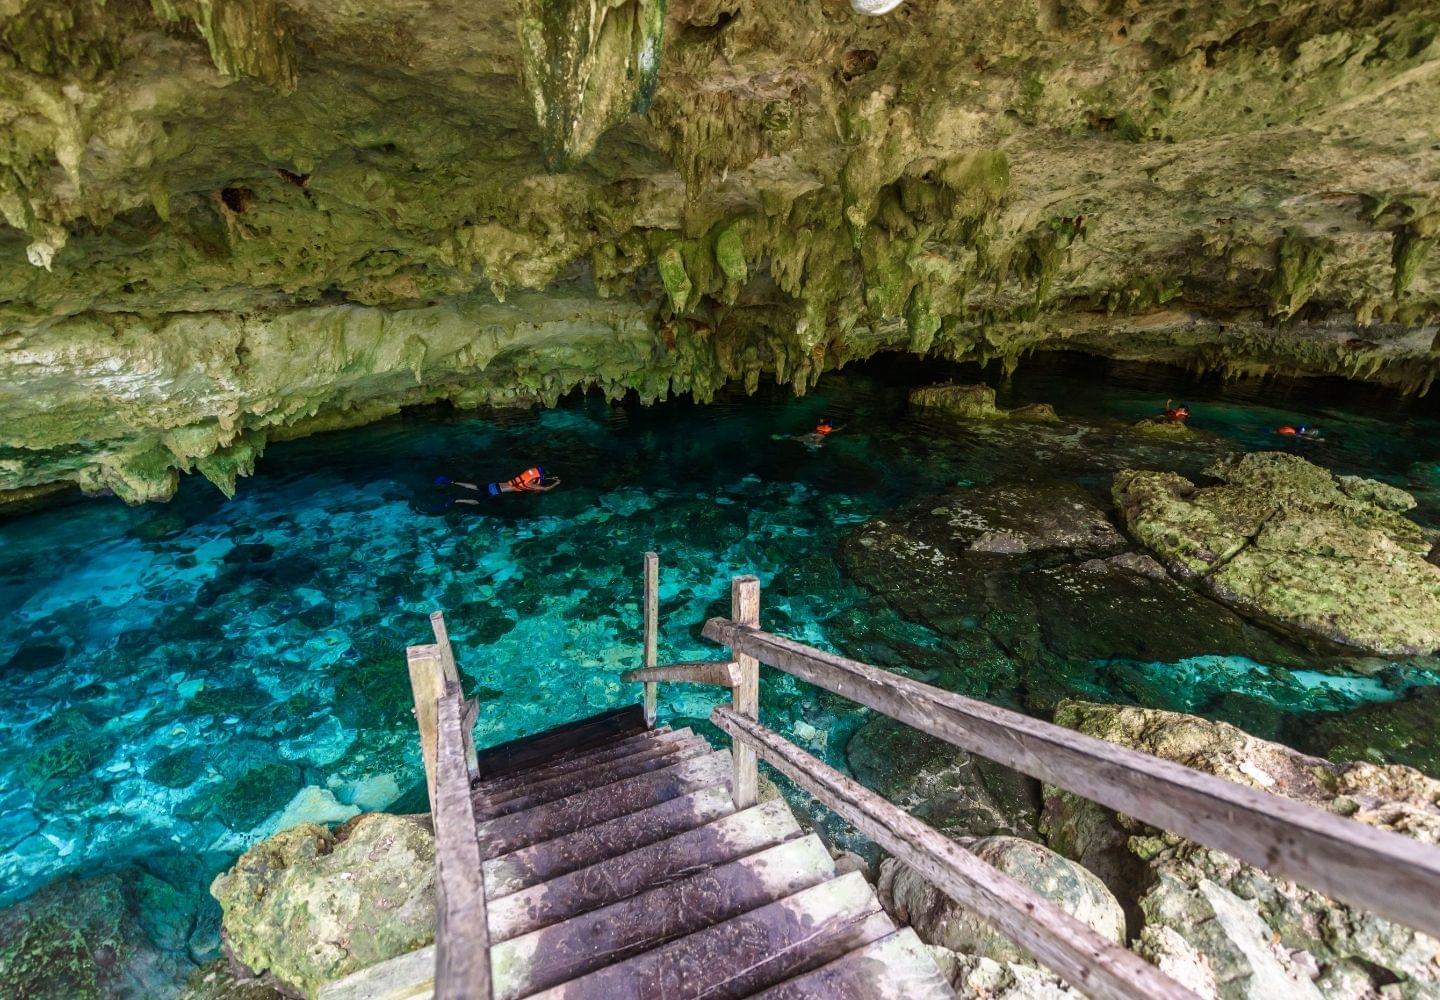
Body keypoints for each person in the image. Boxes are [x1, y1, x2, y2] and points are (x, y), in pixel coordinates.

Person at [437, 466, 561, 505]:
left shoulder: (527, 476)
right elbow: (545, 488)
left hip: (494, 484)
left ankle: (452, 482)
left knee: (474, 487)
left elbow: (536, 478)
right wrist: (556, 483)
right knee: (477, 502)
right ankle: (456, 500)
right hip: (494, 492)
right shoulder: (532, 485)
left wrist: (550, 477)